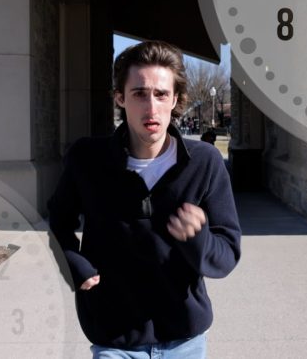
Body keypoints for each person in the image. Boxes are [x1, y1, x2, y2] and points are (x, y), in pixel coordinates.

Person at [48, 40, 241, 358]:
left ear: (175, 99)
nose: (151, 108)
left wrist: (198, 239)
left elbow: (227, 255)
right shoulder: (87, 159)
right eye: (139, 94)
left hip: (185, 339)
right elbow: (59, 220)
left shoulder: (204, 162)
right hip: (114, 338)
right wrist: (73, 262)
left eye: (161, 94)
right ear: (120, 98)